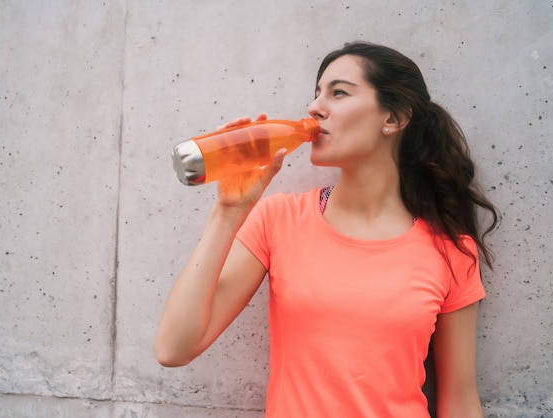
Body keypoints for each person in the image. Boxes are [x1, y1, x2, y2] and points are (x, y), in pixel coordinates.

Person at [154, 41, 499, 417]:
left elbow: (460, 400)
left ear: (394, 119)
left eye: (338, 93)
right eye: (317, 93)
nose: (315, 108)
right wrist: (228, 212)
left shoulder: (450, 249)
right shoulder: (280, 218)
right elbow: (174, 349)